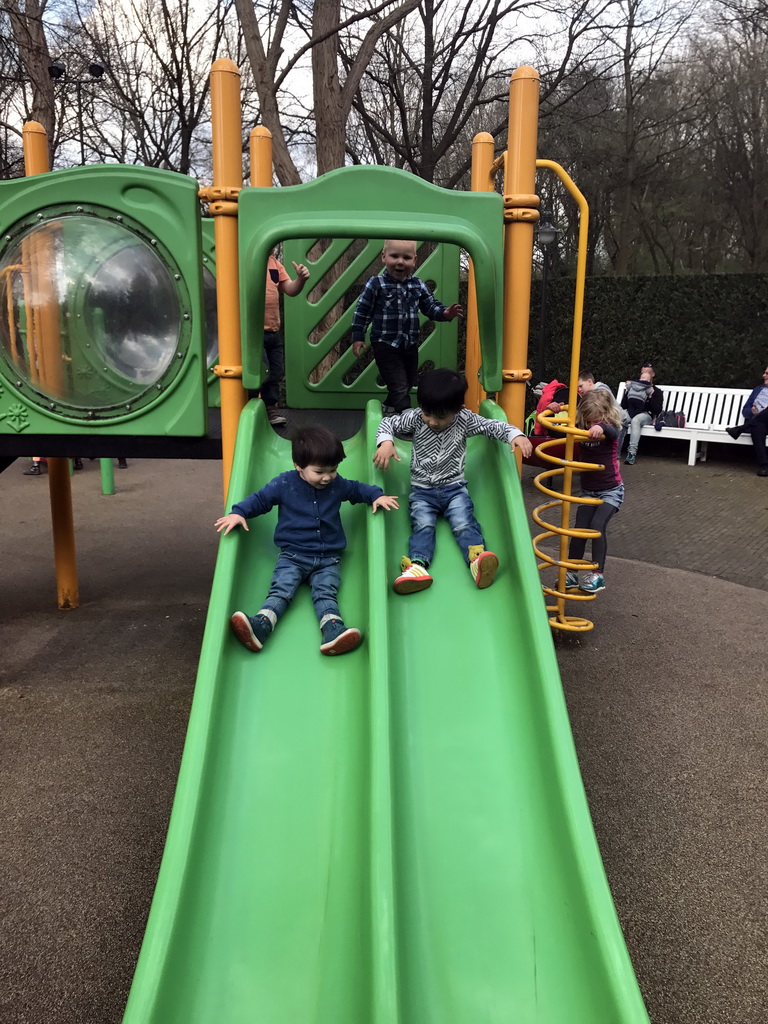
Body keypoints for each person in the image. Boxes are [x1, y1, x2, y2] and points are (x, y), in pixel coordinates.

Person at [215, 425, 399, 656]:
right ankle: (261, 625)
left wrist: (376, 495)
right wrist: (239, 512)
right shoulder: (284, 484)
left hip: (328, 558)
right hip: (293, 555)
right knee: (282, 589)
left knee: (325, 593)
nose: (328, 477)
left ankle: (333, 631)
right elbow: (261, 499)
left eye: (332, 470)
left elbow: (356, 489)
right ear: (298, 466)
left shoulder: (336, 484)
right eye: (320, 471)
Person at [372, 367, 532, 593]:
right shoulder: (417, 418)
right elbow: (389, 423)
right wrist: (386, 442)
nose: (432, 421)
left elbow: (491, 426)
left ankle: (477, 561)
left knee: (463, 522)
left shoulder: (464, 420)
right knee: (423, 526)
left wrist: (515, 434)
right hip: (422, 491)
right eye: (428, 413)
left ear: (458, 410)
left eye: (441, 416)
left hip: (454, 488)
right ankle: (417, 567)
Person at [351, 240, 463, 414]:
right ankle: (406, 417)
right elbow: (362, 311)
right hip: (385, 344)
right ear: (384, 257)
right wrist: (358, 336)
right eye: (394, 256)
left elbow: (430, 306)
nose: (400, 262)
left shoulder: (417, 285)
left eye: (406, 257)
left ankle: (389, 406)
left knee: (409, 380)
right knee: (399, 384)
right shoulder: (376, 284)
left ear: (414, 260)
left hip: (409, 344)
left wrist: (445, 313)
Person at [565, 388, 624, 594]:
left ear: (606, 415)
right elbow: (561, 427)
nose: (591, 426)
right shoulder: (581, 428)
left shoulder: (610, 429)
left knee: (597, 526)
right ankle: (571, 573)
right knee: (579, 530)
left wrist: (601, 426)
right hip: (588, 491)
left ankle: (598, 574)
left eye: (595, 420)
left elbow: (613, 432)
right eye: (588, 421)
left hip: (611, 490)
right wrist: (553, 409)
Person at [254, 252, 310, 427]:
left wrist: (301, 279)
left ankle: (271, 409)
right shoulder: (244, 260)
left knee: (276, 372)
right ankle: (250, 406)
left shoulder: (275, 263)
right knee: (259, 372)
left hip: (273, 331)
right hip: (253, 332)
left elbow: (291, 290)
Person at [726, 366, 768, 476]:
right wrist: (752, 411)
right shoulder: (757, 390)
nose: (763, 376)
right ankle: (764, 465)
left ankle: (739, 429)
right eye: (764, 373)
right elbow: (745, 410)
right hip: (759, 423)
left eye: (767, 374)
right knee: (757, 427)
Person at [577, 368, 630, 452]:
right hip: (607, 423)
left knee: (615, 454)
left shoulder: (601, 391)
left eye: (581, 386)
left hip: (619, 422)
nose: (579, 389)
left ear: (590, 381)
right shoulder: (590, 396)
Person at [620, 362, 663, 465]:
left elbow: (657, 410)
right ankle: (613, 450)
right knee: (620, 418)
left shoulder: (656, 391)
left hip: (646, 415)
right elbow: (624, 405)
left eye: (647, 373)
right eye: (642, 374)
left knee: (636, 421)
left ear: (652, 376)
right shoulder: (634, 388)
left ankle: (631, 453)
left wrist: (650, 396)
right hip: (631, 412)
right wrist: (628, 391)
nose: (643, 379)